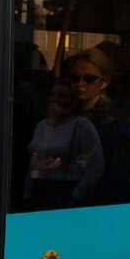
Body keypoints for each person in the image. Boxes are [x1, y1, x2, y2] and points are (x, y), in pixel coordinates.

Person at [24, 80, 104, 209]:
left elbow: (96, 165)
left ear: (72, 101)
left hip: (66, 193)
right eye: (53, 95)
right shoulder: (41, 125)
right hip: (38, 193)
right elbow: (33, 163)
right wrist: (27, 195)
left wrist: (76, 197)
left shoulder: (82, 125)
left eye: (61, 96)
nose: (55, 99)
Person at [66, 47, 114, 115]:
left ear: (104, 83)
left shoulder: (111, 116)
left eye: (89, 79)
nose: (79, 84)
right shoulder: (64, 112)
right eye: (74, 78)